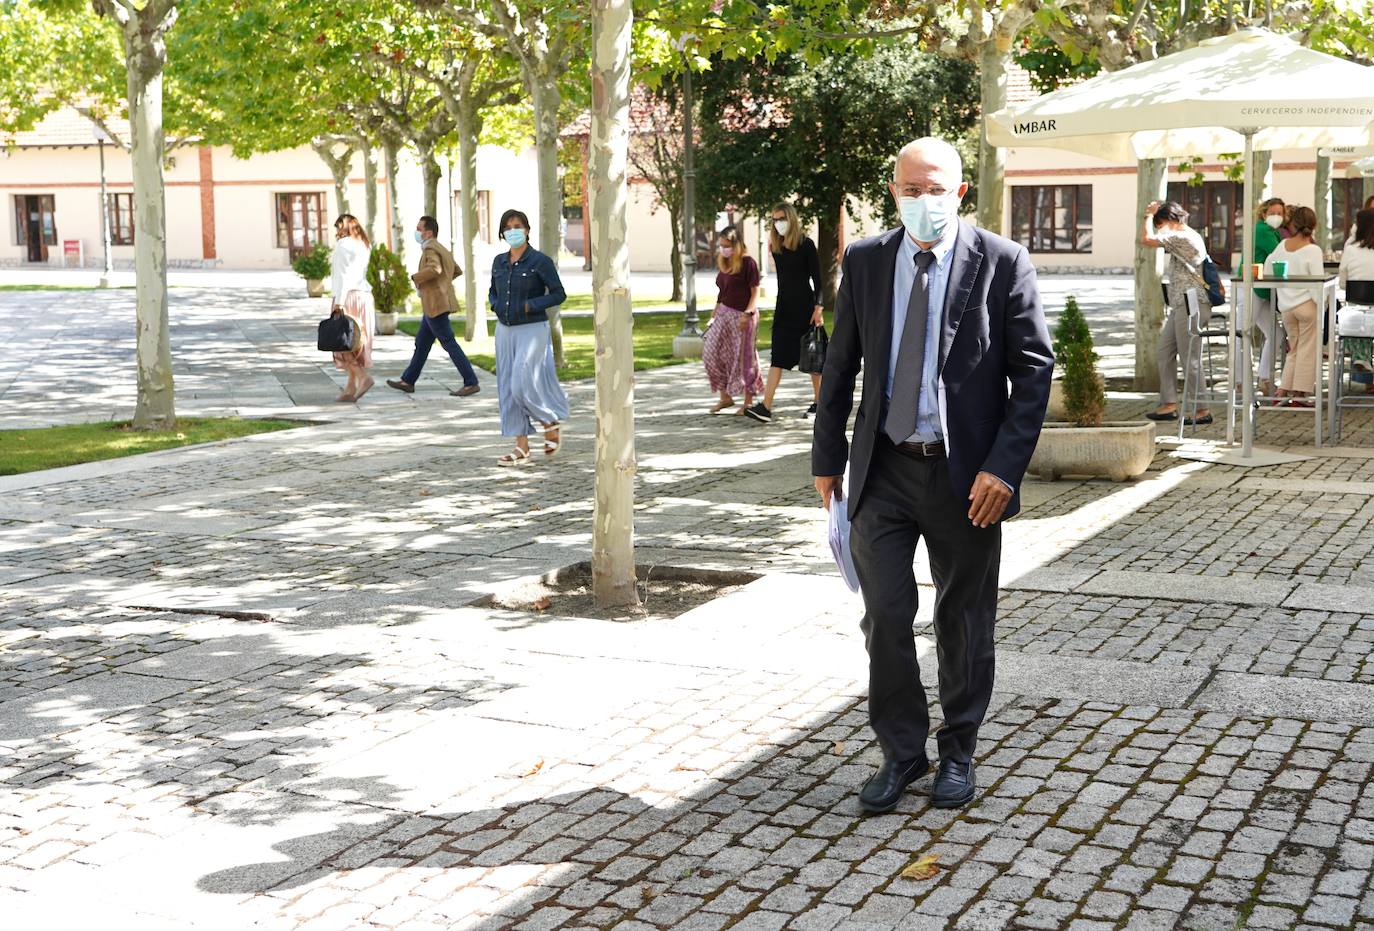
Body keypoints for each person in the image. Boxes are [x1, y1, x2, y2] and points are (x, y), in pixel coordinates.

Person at [812, 138, 1052, 812]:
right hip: (881, 469)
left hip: (966, 475)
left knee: (963, 618)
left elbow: (1033, 371)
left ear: (961, 192)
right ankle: (902, 752)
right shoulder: (864, 260)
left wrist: (1004, 468)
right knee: (884, 615)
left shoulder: (1002, 262)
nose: (925, 201)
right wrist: (826, 459)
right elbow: (840, 367)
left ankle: (960, 751)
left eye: (937, 188)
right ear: (894, 192)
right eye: (912, 189)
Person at [490, 208, 569, 466]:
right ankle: (521, 447)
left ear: (527, 230)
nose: (514, 230)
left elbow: (558, 294)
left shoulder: (540, 262)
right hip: (504, 330)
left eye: (518, 226)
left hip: (532, 329)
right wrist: (496, 306)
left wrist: (530, 305)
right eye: (509, 227)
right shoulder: (499, 262)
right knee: (507, 389)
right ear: (503, 232)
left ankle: (549, 421)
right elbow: (493, 292)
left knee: (521, 383)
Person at [744, 203, 823, 424]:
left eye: (781, 218)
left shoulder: (806, 245)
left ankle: (820, 402)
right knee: (777, 358)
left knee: (812, 360)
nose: (777, 223)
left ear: (791, 218)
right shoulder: (776, 247)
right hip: (784, 310)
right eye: (774, 219)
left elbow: (818, 280)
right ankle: (766, 407)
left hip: (805, 310)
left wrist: (819, 308)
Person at [386, 215, 481, 398]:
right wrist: (442, 285)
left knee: (449, 343)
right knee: (422, 344)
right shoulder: (440, 247)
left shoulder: (430, 248)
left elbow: (435, 269)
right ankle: (408, 380)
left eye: (419, 229)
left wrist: (417, 278)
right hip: (434, 303)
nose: (417, 232)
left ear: (428, 232)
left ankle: (471, 382)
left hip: (435, 305)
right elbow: (455, 270)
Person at [1141, 200, 1212, 424]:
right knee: (1165, 351)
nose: (1158, 226)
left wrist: (1148, 216)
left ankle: (1202, 410)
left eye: (1160, 223)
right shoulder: (1182, 235)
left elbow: (1146, 239)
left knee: (1190, 357)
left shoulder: (1183, 236)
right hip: (1180, 304)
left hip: (1193, 303)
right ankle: (1169, 403)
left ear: (1171, 220)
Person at [1266, 205, 1325, 406]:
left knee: (1295, 349)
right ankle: (1300, 393)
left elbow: (1268, 269)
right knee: (1308, 349)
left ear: (1293, 224)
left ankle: (1282, 390)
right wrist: (1323, 306)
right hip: (1307, 305)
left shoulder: (1282, 245)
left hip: (1287, 307)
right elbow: (1317, 284)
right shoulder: (1313, 250)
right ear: (1313, 225)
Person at [702, 226, 764, 414]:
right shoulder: (725, 263)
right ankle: (725, 397)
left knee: (744, 358)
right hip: (724, 314)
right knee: (711, 353)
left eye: (727, 245)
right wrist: (713, 315)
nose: (723, 249)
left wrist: (747, 313)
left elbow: (755, 292)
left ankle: (748, 401)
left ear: (736, 244)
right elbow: (722, 293)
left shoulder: (748, 263)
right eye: (721, 245)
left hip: (743, 315)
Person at [329, 214, 375, 402]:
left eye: (338, 227)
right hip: (364, 297)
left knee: (341, 342)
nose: (336, 232)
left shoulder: (344, 245)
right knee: (355, 342)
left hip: (348, 296)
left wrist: (338, 303)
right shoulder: (364, 244)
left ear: (343, 226)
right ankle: (350, 387)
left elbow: (343, 275)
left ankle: (363, 378)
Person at [1252, 198, 1286, 395]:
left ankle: (1264, 379)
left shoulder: (1272, 231)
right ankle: (1241, 382)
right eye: (1273, 212)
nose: (1277, 217)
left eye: (1280, 213)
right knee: (1242, 332)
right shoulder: (1263, 230)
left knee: (1276, 334)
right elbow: (1279, 254)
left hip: (1262, 290)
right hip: (1253, 287)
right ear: (1264, 214)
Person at [1338, 208, 1374, 394]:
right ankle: (1363, 359)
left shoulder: (1350, 250)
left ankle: (1362, 357)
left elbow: (1343, 284)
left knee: (1359, 316)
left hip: (1356, 318)